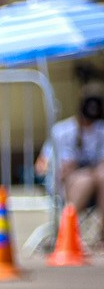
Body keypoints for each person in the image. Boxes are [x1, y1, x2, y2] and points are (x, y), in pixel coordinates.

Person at [40, 85, 104, 223]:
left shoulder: (101, 131)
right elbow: (42, 163)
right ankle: (67, 227)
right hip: (67, 187)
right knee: (85, 180)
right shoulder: (62, 131)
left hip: (97, 187)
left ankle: (102, 234)